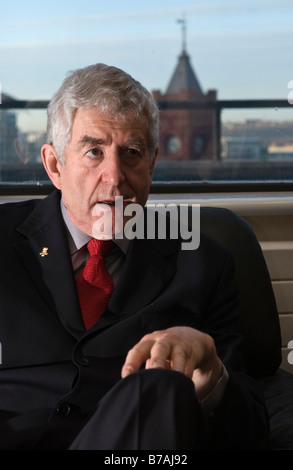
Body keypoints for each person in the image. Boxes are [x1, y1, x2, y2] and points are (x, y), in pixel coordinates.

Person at [0, 63, 268, 450]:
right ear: (55, 166)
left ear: (152, 164)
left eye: (131, 153)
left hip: (135, 445)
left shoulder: (203, 263)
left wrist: (210, 373)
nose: (115, 176)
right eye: (94, 151)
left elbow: (251, 429)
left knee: (161, 388)